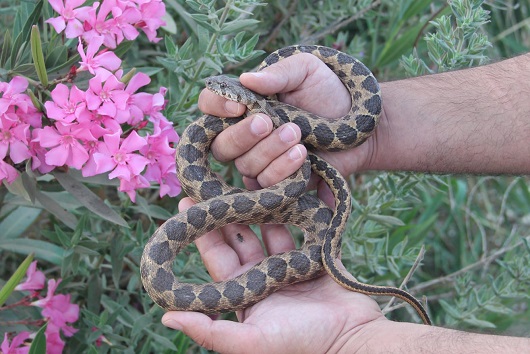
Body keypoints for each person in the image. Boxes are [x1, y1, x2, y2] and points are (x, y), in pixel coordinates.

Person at [161, 51, 530, 353]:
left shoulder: (270, 114)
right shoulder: (257, 112)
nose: (214, 89)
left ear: (240, 98)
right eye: (218, 88)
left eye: (221, 89)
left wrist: (350, 343)